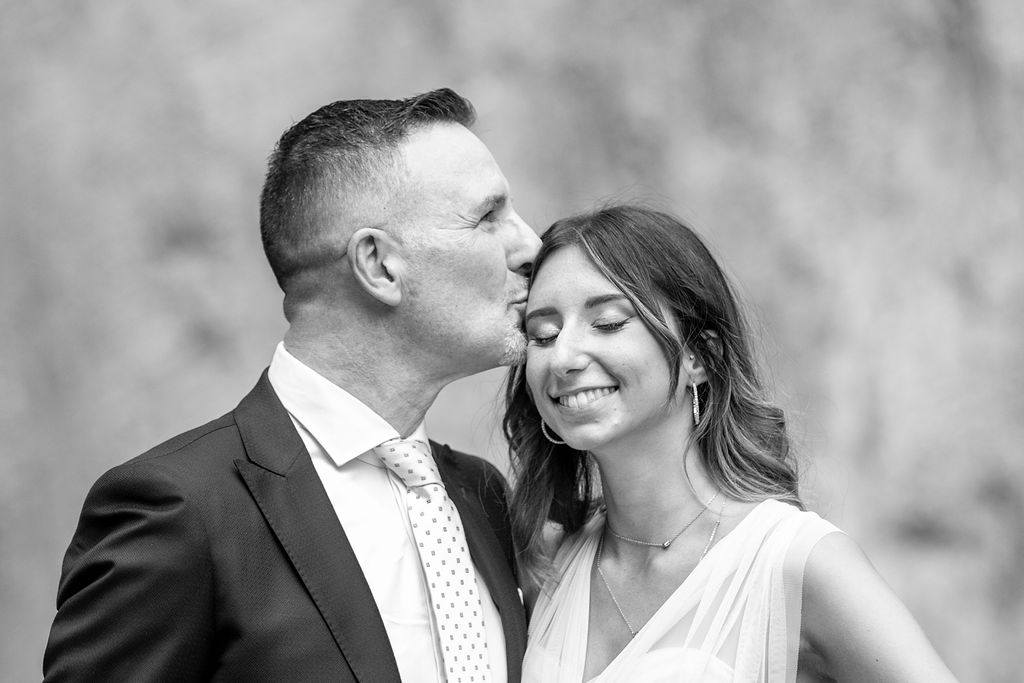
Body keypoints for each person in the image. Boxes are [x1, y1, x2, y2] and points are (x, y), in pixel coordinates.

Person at [43, 88, 539, 682]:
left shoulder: (483, 495)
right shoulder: (181, 510)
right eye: (487, 217)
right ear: (378, 264)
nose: (531, 246)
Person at [503, 205, 958, 681]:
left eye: (609, 322)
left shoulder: (797, 563)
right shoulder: (546, 565)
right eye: (543, 335)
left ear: (700, 356)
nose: (564, 357)